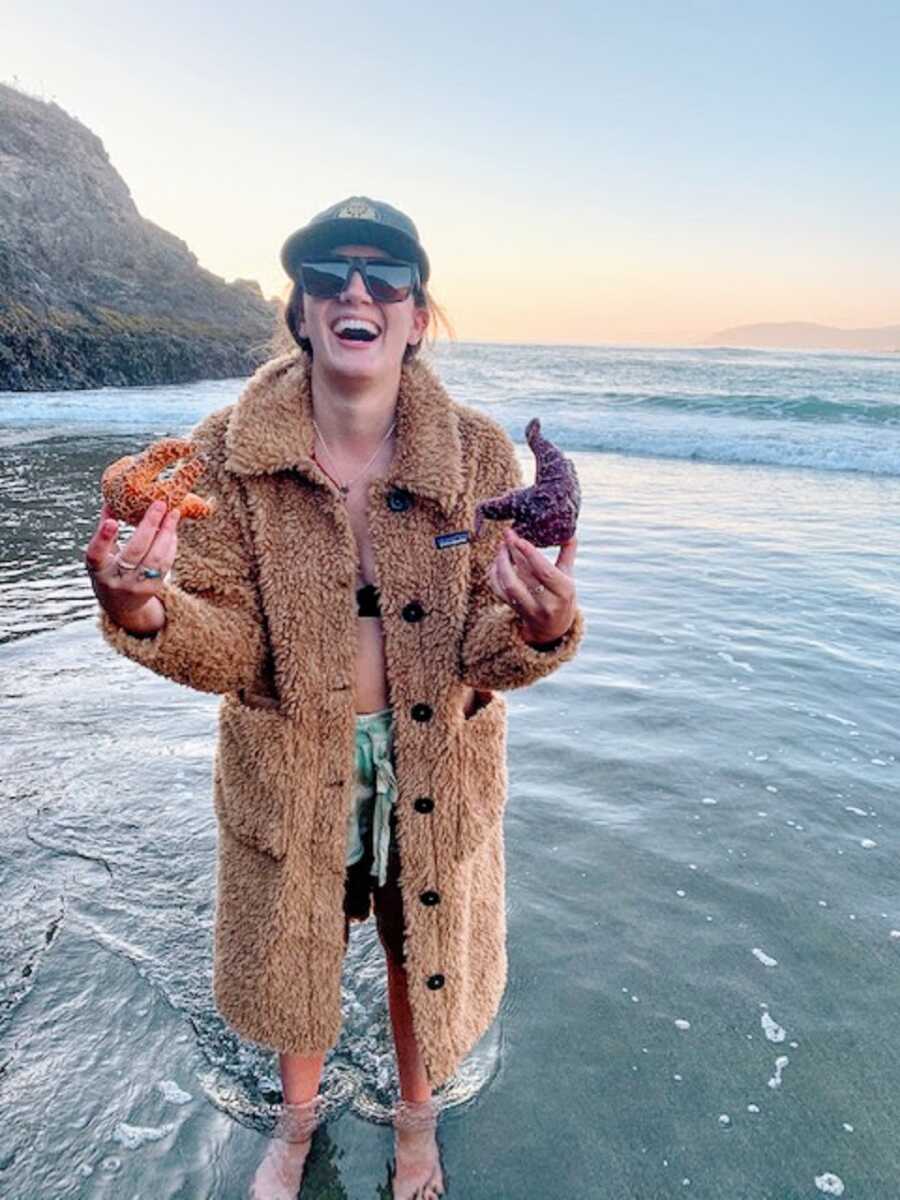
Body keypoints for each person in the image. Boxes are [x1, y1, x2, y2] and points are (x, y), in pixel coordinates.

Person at [85, 196, 585, 1199]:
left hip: (432, 753)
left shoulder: (481, 460)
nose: (357, 288)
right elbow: (230, 645)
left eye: (384, 273)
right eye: (328, 273)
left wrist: (536, 630)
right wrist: (145, 613)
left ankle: (414, 1119)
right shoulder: (226, 457)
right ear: (302, 312)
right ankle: (297, 1122)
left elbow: (482, 643)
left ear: (415, 313)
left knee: (417, 941)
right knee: (299, 939)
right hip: (290, 751)